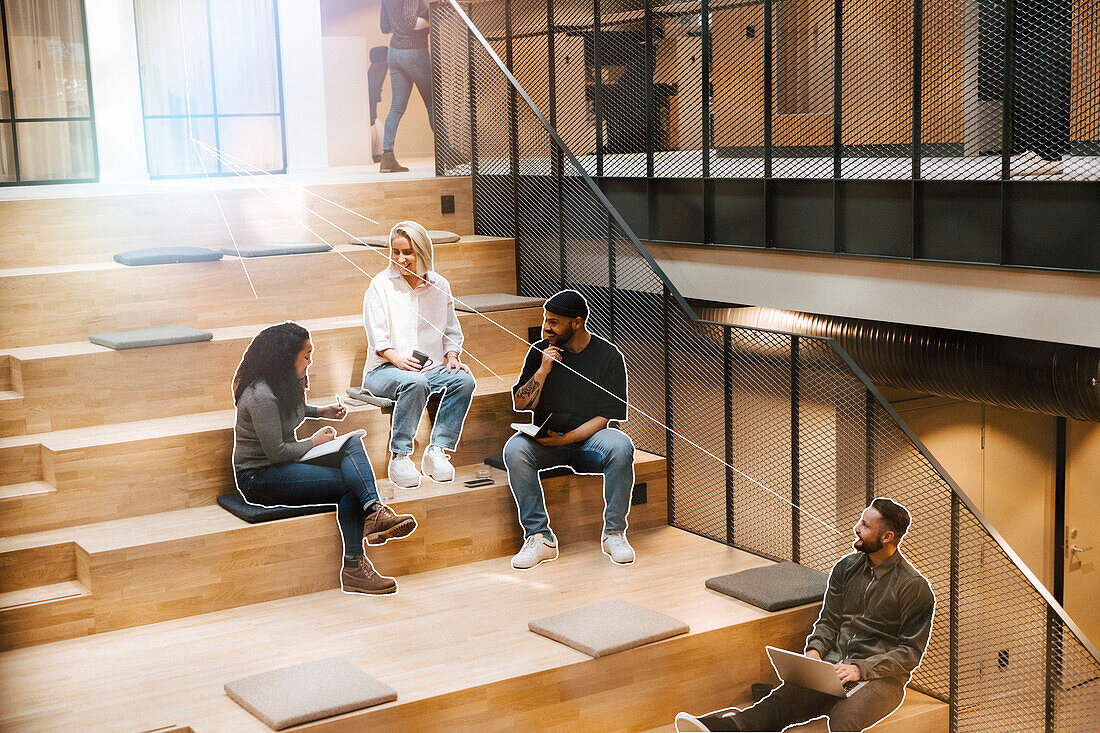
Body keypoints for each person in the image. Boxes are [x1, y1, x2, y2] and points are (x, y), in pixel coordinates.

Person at [674, 498, 935, 732]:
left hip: (880, 678)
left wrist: (860, 669)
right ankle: (720, 729)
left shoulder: (914, 587)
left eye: (865, 525)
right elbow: (829, 621)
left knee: (844, 719)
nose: (856, 528)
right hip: (832, 667)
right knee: (783, 700)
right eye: (860, 521)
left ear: (887, 536)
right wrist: (814, 653)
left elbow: (909, 653)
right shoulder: (846, 568)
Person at [232, 321, 417, 595]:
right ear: (286, 356)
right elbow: (277, 452)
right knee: (348, 484)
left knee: (352, 443)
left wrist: (321, 411)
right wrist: (313, 442)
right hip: (259, 477)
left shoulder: (282, 382)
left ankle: (374, 511)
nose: (310, 360)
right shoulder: (260, 394)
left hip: (282, 465)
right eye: (306, 354)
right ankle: (355, 565)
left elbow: (289, 410)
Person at [504, 289, 636, 570]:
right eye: (545, 320)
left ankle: (614, 533)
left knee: (621, 445)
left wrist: (566, 439)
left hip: (589, 440)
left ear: (576, 323)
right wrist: (542, 370)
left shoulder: (608, 356)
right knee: (514, 449)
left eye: (553, 322)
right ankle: (539, 537)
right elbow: (520, 403)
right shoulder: (540, 351)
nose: (546, 327)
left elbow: (605, 418)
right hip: (546, 439)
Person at [361, 221, 476, 489]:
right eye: (396, 251)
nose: (401, 259)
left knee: (464, 380)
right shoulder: (379, 286)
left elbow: (450, 330)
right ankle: (400, 456)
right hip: (384, 370)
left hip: (427, 368)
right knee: (416, 381)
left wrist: (452, 355)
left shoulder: (440, 285)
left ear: (423, 252)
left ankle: (437, 450)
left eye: (408, 252)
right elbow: (378, 338)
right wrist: (398, 360)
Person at [379, 0, 447, 173]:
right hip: (415, 53)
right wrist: (434, 19)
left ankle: (387, 158)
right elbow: (411, 22)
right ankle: (449, 154)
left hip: (394, 53)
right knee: (433, 105)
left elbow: (385, 27)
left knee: (396, 107)